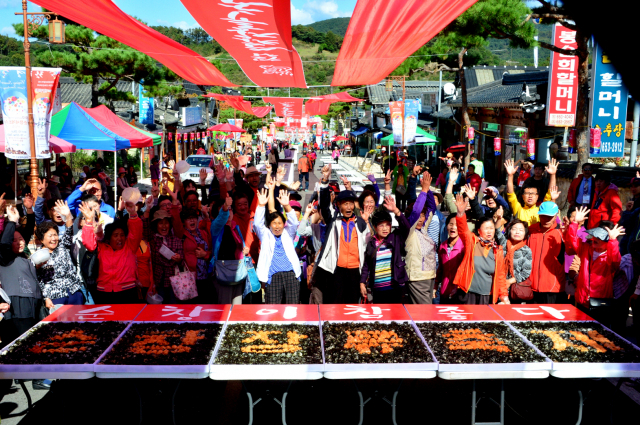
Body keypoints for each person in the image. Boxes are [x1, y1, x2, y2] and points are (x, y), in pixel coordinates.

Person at [0, 205, 47, 390]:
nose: (20, 242)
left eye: (22, 240)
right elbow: (4, 243)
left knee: (26, 341)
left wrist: (28, 213)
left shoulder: (24, 256)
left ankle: (22, 375)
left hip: (32, 302)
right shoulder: (5, 257)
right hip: (17, 304)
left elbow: (26, 232)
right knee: (26, 342)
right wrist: (11, 222)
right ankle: (35, 378)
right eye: (16, 240)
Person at [315, 164, 372, 303]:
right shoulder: (334, 221)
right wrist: (324, 181)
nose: (348, 207)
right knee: (335, 305)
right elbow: (324, 205)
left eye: (351, 204)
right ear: (339, 205)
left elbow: (369, 247)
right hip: (337, 270)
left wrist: (365, 277)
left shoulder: (361, 223)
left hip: (355, 272)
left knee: (352, 306)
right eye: (345, 204)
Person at [565, 207, 624, 324]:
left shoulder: (611, 254)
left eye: (600, 237)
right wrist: (575, 223)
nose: (595, 239)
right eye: (595, 235)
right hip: (582, 300)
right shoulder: (586, 249)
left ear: (607, 240)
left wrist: (613, 241)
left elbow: (615, 262)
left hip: (600, 304)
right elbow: (573, 241)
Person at [80, 200, 142, 304]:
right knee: (107, 320)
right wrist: (89, 221)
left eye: (122, 235)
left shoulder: (130, 247)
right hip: (104, 292)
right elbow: (88, 243)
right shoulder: (101, 248)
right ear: (109, 238)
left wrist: (133, 214)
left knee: (128, 320)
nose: (120, 238)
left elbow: (136, 232)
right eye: (116, 235)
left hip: (127, 292)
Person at [452, 194, 508, 304]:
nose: (489, 231)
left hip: (487, 296)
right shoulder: (472, 241)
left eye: (491, 228)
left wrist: (504, 296)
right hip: (468, 293)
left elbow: (500, 275)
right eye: (486, 228)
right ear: (479, 230)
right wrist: (460, 213)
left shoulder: (497, 249)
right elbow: (463, 229)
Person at [254, 188, 301, 303]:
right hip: (273, 276)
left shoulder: (287, 233)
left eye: (279, 223)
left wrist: (287, 206)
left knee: (293, 306)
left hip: (291, 274)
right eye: (274, 223)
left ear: (283, 224)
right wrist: (261, 205)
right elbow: (257, 224)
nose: (277, 226)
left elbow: (294, 223)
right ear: (269, 225)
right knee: (273, 308)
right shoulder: (265, 235)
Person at [360, 197, 409, 304]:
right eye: (381, 225)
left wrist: (396, 211)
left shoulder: (396, 238)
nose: (385, 228)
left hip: (395, 288)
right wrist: (362, 282)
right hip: (377, 289)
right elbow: (366, 265)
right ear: (374, 227)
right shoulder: (371, 243)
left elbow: (406, 227)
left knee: (396, 318)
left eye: (388, 225)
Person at [35, 201, 85, 306]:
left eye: (55, 235)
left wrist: (67, 216)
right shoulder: (37, 256)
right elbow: (39, 281)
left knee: (79, 322)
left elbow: (69, 230)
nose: (54, 239)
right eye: (50, 236)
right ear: (41, 239)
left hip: (73, 292)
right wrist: (46, 298)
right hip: (55, 297)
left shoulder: (62, 246)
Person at [405, 180, 439, 304]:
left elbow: (431, 207)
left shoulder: (423, 229)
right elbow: (415, 212)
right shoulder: (410, 231)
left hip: (429, 276)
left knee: (425, 312)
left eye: (423, 215)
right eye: (419, 216)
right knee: (424, 313)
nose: (420, 219)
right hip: (417, 278)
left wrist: (428, 189)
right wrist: (423, 191)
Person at [526, 201, 566, 303]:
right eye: (543, 216)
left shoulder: (562, 232)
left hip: (553, 287)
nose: (546, 219)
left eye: (550, 216)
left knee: (550, 319)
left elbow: (573, 250)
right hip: (531, 286)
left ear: (556, 215)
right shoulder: (530, 230)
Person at [505, 158, 557, 226]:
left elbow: (550, 192)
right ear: (523, 196)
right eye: (527, 193)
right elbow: (510, 194)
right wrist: (510, 175)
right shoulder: (518, 209)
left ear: (537, 196)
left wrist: (553, 175)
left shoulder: (541, 210)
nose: (530, 196)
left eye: (533, 194)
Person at [499, 219, 533, 303]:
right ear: (509, 230)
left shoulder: (526, 250)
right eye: (514, 229)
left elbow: (526, 272)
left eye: (521, 230)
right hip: (499, 285)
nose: (517, 232)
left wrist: (509, 282)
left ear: (525, 233)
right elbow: (496, 232)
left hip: (515, 289)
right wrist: (499, 219)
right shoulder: (502, 244)